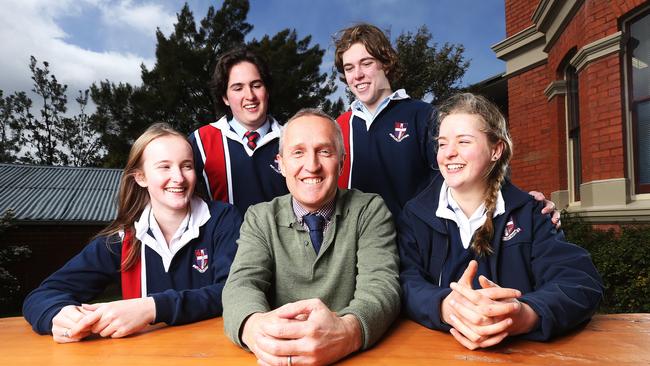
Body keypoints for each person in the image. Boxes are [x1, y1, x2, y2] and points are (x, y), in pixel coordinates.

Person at [398, 93, 603, 350]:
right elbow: (404, 281)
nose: (449, 153)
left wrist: (524, 314)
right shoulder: (415, 215)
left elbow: (580, 282)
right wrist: (443, 306)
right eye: (442, 143)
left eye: (464, 141)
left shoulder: (530, 214)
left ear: (496, 150)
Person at [23, 123, 242, 343]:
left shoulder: (223, 220)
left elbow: (235, 292)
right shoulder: (121, 238)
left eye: (186, 166)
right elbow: (41, 297)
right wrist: (58, 316)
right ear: (141, 177)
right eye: (164, 167)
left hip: (215, 352)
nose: (179, 177)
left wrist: (151, 308)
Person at [333, 23, 560, 224]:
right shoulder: (338, 126)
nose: (358, 75)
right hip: (359, 251)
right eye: (349, 68)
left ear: (386, 64)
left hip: (415, 249)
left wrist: (523, 205)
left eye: (366, 63)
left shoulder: (423, 115)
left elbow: (468, 171)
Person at [222, 109, 400, 365]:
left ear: (341, 161)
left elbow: (382, 286)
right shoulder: (259, 217)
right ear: (281, 164)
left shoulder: (370, 210)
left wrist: (348, 333)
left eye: (324, 152)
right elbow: (241, 285)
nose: (312, 165)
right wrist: (255, 329)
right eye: (298, 152)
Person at [189, 47, 288, 214]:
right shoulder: (201, 141)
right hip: (225, 240)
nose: (250, 95)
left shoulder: (292, 138)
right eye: (238, 88)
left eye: (256, 85)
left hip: (283, 239)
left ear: (267, 91)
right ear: (225, 97)